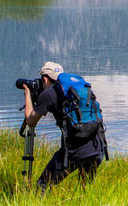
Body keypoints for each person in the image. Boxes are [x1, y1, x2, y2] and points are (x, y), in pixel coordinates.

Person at [21, 61, 106, 192]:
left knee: (42, 186)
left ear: (45, 78)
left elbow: (30, 121)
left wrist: (27, 94)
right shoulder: (76, 89)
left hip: (75, 150)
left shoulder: (48, 94)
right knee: (86, 189)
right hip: (97, 145)